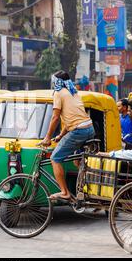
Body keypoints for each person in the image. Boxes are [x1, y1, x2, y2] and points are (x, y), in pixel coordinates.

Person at [40, 70, 95, 200]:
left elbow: (55, 117)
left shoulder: (59, 93)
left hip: (79, 131)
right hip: (89, 129)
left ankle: (65, 192)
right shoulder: (74, 92)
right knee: (77, 161)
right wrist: (60, 136)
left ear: (56, 82)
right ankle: (85, 189)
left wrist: (47, 137)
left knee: (55, 158)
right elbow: (71, 119)